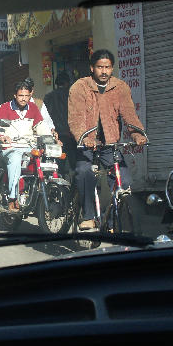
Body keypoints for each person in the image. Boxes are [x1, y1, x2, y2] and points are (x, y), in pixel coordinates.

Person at [68, 50, 147, 230]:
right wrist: (85, 138)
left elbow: (129, 114)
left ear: (112, 68)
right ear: (92, 68)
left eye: (108, 67)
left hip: (110, 145)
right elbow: (76, 118)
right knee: (85, 172)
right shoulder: (80, 87)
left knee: (123, 181)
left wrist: (137, 134)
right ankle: (87, 216)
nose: (104, 71)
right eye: (100, 67)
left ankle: (110, 221)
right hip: (86, 145)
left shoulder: (120, 87)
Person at [0, 79, 53, 212]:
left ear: (30, 95)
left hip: (29, 147)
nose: (24, 99)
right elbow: (0, 127)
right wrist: (2, 137)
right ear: (15, 95)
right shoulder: (4, 108)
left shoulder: (33, 108)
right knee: (16, 158)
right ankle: (12, 198)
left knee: (47, 156)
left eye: (27, 96)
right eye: (21, 96)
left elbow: (41, 127)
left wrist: (51, 140)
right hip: (11, 147)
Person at [44, 71, 76, 177]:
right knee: (75, 165)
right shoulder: (71, 96)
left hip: (56, 136)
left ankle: (61, 188)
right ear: (67, 83)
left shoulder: (48, 97)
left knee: (58, 165)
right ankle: (75, 189)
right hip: (71, 135)